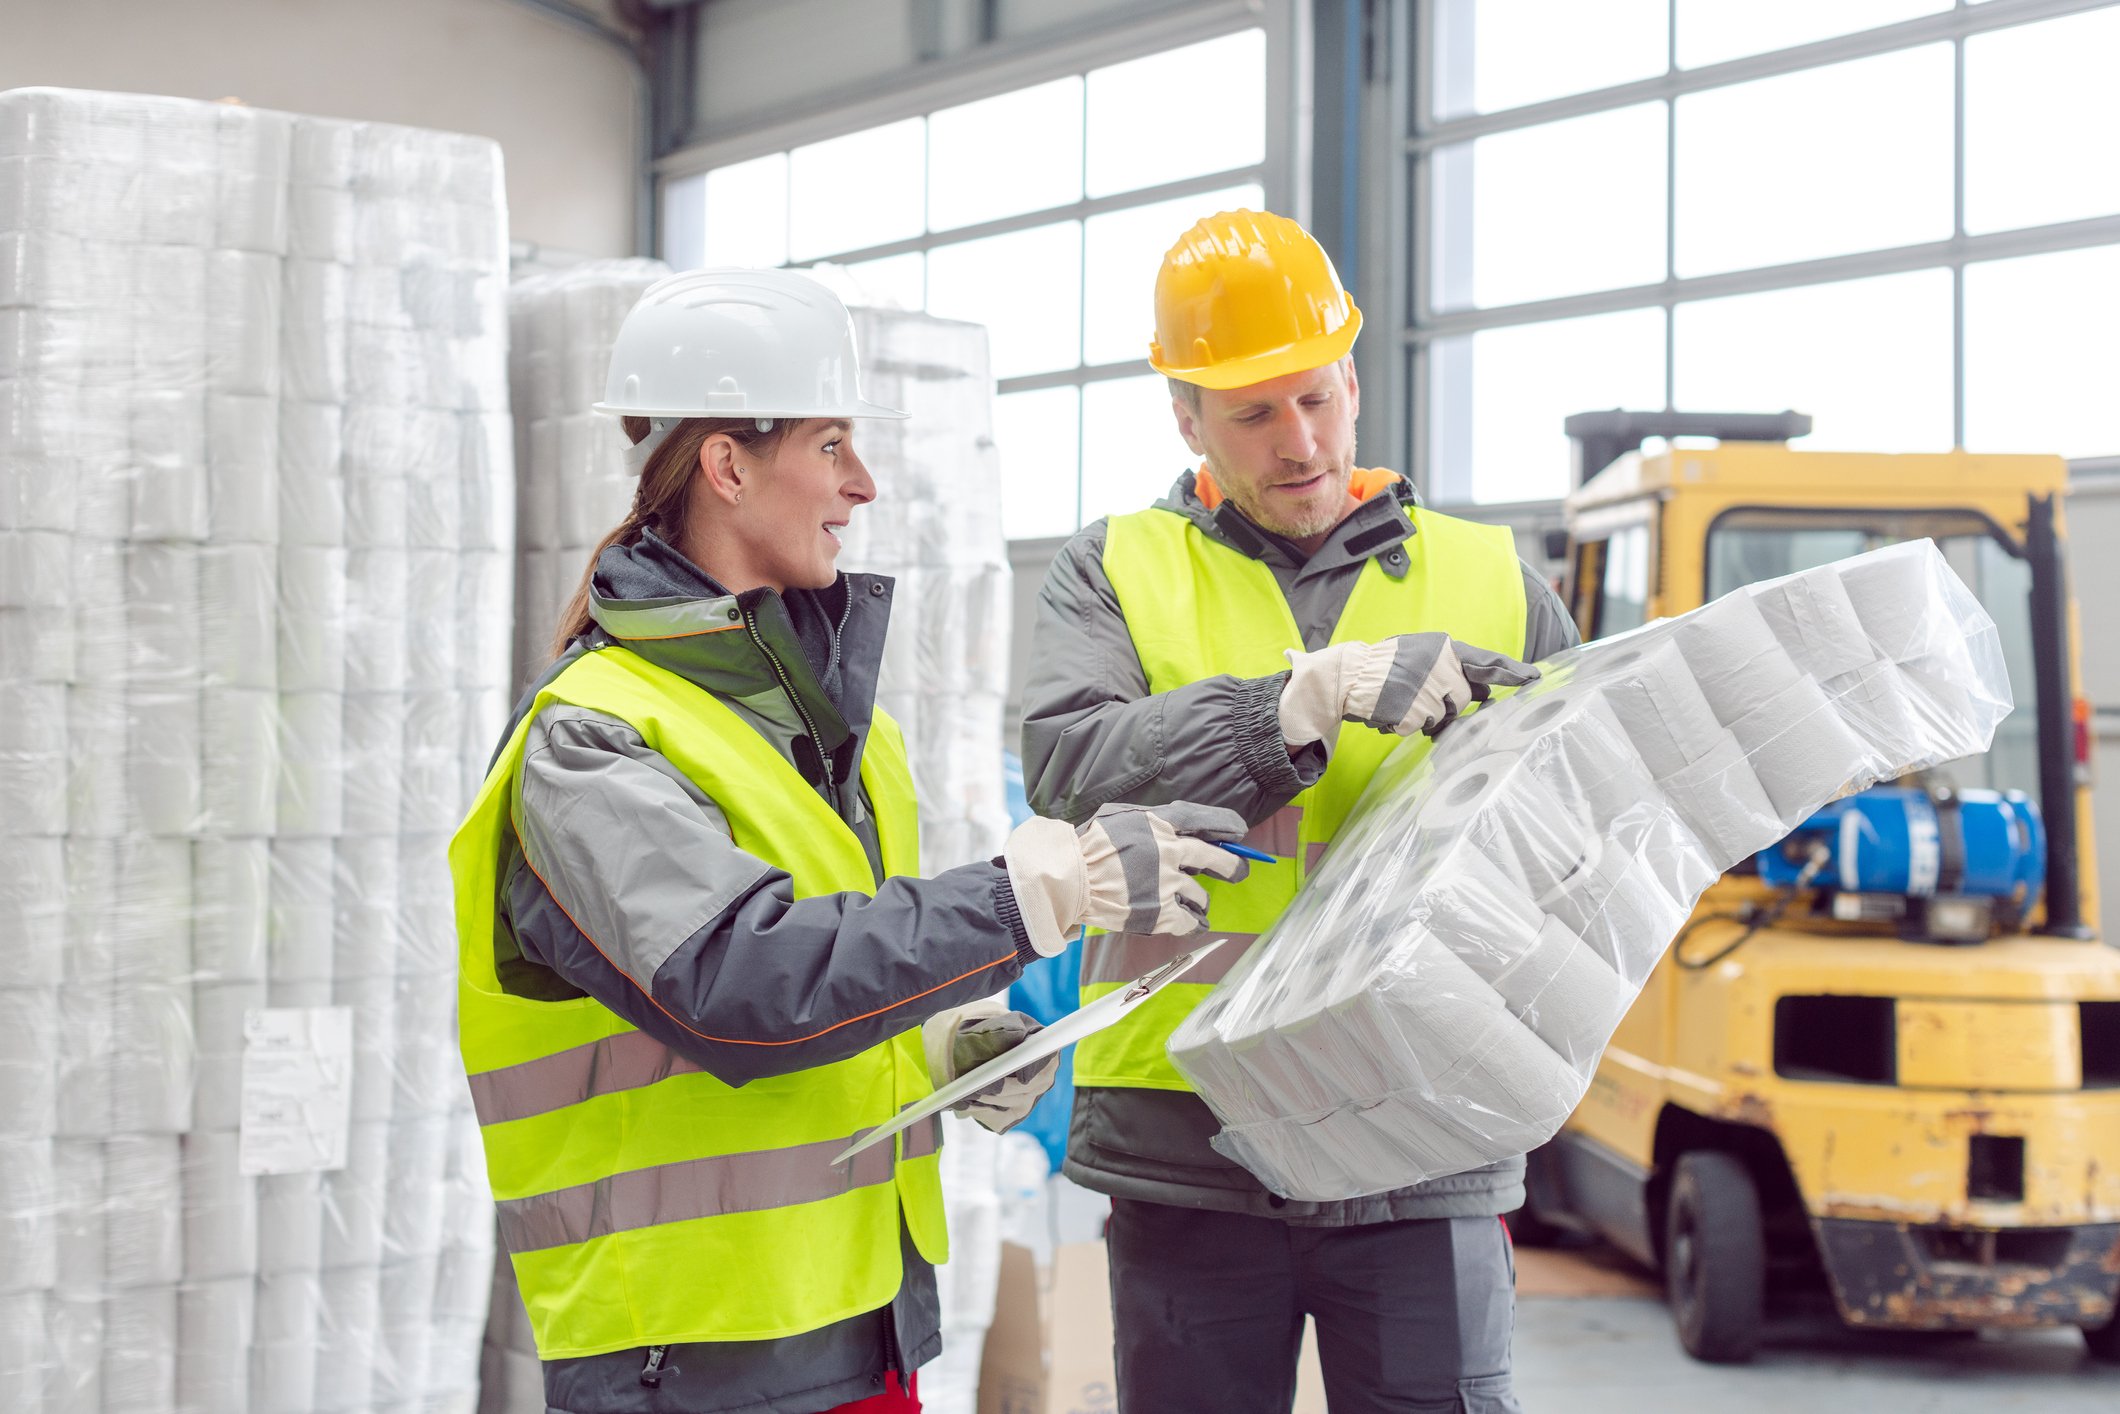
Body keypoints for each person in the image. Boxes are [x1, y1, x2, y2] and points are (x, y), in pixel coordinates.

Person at [450, 268, 1249, 1414]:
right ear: (726, 464)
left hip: (853, 1325)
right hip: (695, 1356)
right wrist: (1035, 893)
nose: (860, 485)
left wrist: (929, 1052)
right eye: (829, 446)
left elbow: (824, 975)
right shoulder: (593, 744)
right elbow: (736, 982)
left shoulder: (834, 738)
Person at [1020, 211, 1582, 1413]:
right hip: (1191, 1133)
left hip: (1425, 1122)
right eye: (1253, 414)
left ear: (1354, 382)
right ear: (1184, 418)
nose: (1299, 441)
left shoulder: (1492, 579)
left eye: (1317, 399)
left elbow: (1584, 813)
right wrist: (1287, 709)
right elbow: (1068, 765)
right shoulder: (1112, 567)